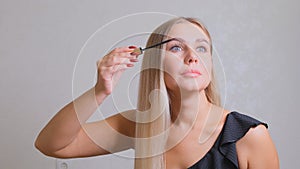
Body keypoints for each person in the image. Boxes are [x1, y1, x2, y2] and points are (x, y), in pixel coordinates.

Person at [35, 17, 279, 169]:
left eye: (201, 48)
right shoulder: (138, 126)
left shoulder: (250, 137)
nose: (192, 56)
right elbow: (51, 145)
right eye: (176, 47)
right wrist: (100, 91)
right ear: (155, 65)